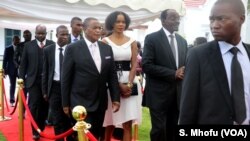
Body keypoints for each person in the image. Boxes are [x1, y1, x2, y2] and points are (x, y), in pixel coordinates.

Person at [179, 0, 250, 125]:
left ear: (241, 19)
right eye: (212, 19)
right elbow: (188, 108)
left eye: (221, 19)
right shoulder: (198, 56)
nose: (214, 25)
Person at [61, 17, 120, 140]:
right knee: (83, 136)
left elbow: (112, 75)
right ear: (85, 29)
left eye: (100, 28)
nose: (98, 30)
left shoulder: (106, 48)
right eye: (95, 28)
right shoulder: (73, 48)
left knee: (97, 135)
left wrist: (115, 98)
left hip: (100, 102)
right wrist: (65, 103)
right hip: (80, 102)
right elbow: (66, 78)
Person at [142, 9, 188, 141]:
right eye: (173, 18)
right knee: (159, 130)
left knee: (174, 130)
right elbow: (147, 65)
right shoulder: (152, 39)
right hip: (158, 95)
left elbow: (184, 66)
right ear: (163, 21)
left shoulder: (182, 41)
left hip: (178, 95)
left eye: (178, 18)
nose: (177, 21)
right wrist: (172, 73)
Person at [102, 11, 142, 141]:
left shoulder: (132, 41)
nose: (121, 24)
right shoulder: (105, 41)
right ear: (111, 23)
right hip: (111, 83)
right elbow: (105, 66)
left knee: (127, 123)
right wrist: (118, 86)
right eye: (118, 21)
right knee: (110, 122)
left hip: (130, 82)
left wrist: (129, 84)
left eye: (123, 22)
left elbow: (134, 64)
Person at [19, 24, 54, 140]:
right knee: (33, 106)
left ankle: (41, 127)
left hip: (47, 82)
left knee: (44, 106)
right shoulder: (28, 46)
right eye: (38, 33)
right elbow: (23, 65)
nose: (40, 35)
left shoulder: (51, 44)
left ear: (46, 33)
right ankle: (35, 130)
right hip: (33, 81)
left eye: (42, 33)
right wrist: (21, 79)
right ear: (35, 33)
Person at [42, 25, 73, 141]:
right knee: (57, 119)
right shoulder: (48, 50)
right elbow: (45, 72)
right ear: (56, 35)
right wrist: (45, 91)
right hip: (54, 88)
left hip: (70, 89)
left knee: (69, 118)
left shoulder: (72, 49)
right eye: (62, 34)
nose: (65, 37)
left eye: (67, 34)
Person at [3, 35, 20, 107]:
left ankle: (22, 100)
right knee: (12, 85)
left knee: (22, 86)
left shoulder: (21, 48)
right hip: (11, 70)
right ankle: (12, 100)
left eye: (18, 40)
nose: (17, 41)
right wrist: (4, 70)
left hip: (20, 70)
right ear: (13, 40)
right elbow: (5, 60)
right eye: (16, 40)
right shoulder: (8, 48)